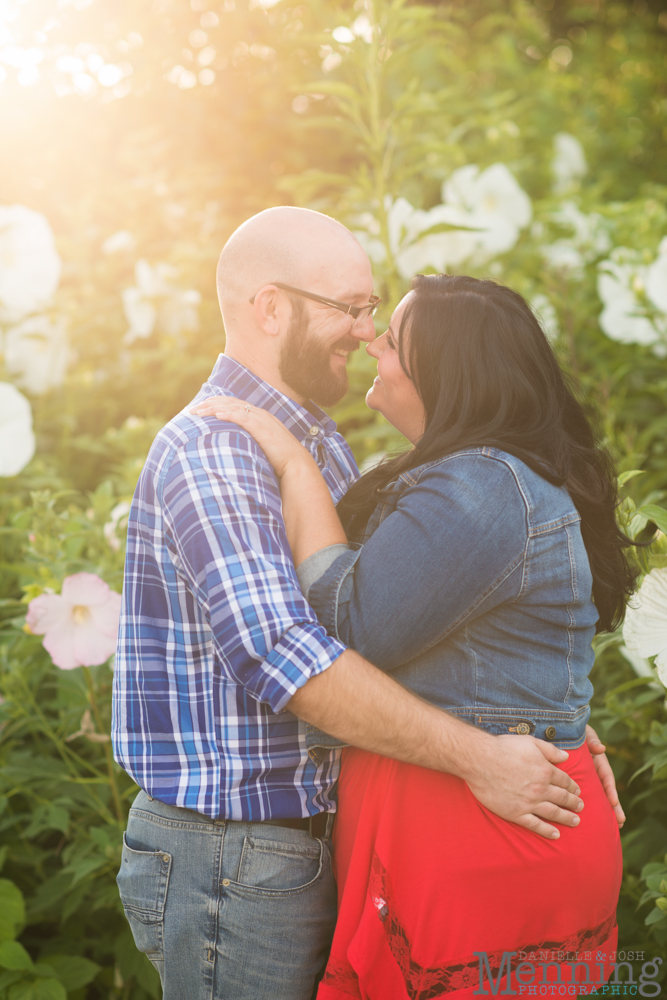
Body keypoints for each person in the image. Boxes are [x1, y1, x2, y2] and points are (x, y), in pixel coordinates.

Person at [112, 209, 621, 1000]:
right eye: (348, 309)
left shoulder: (318, 442)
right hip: (235, 855)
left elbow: (428, 626)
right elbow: (290, 656)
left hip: (322, 844)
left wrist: (549, 716)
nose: (365, 330)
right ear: (271, 307)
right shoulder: (218, 448)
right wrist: (486, 754)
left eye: (373, 311)